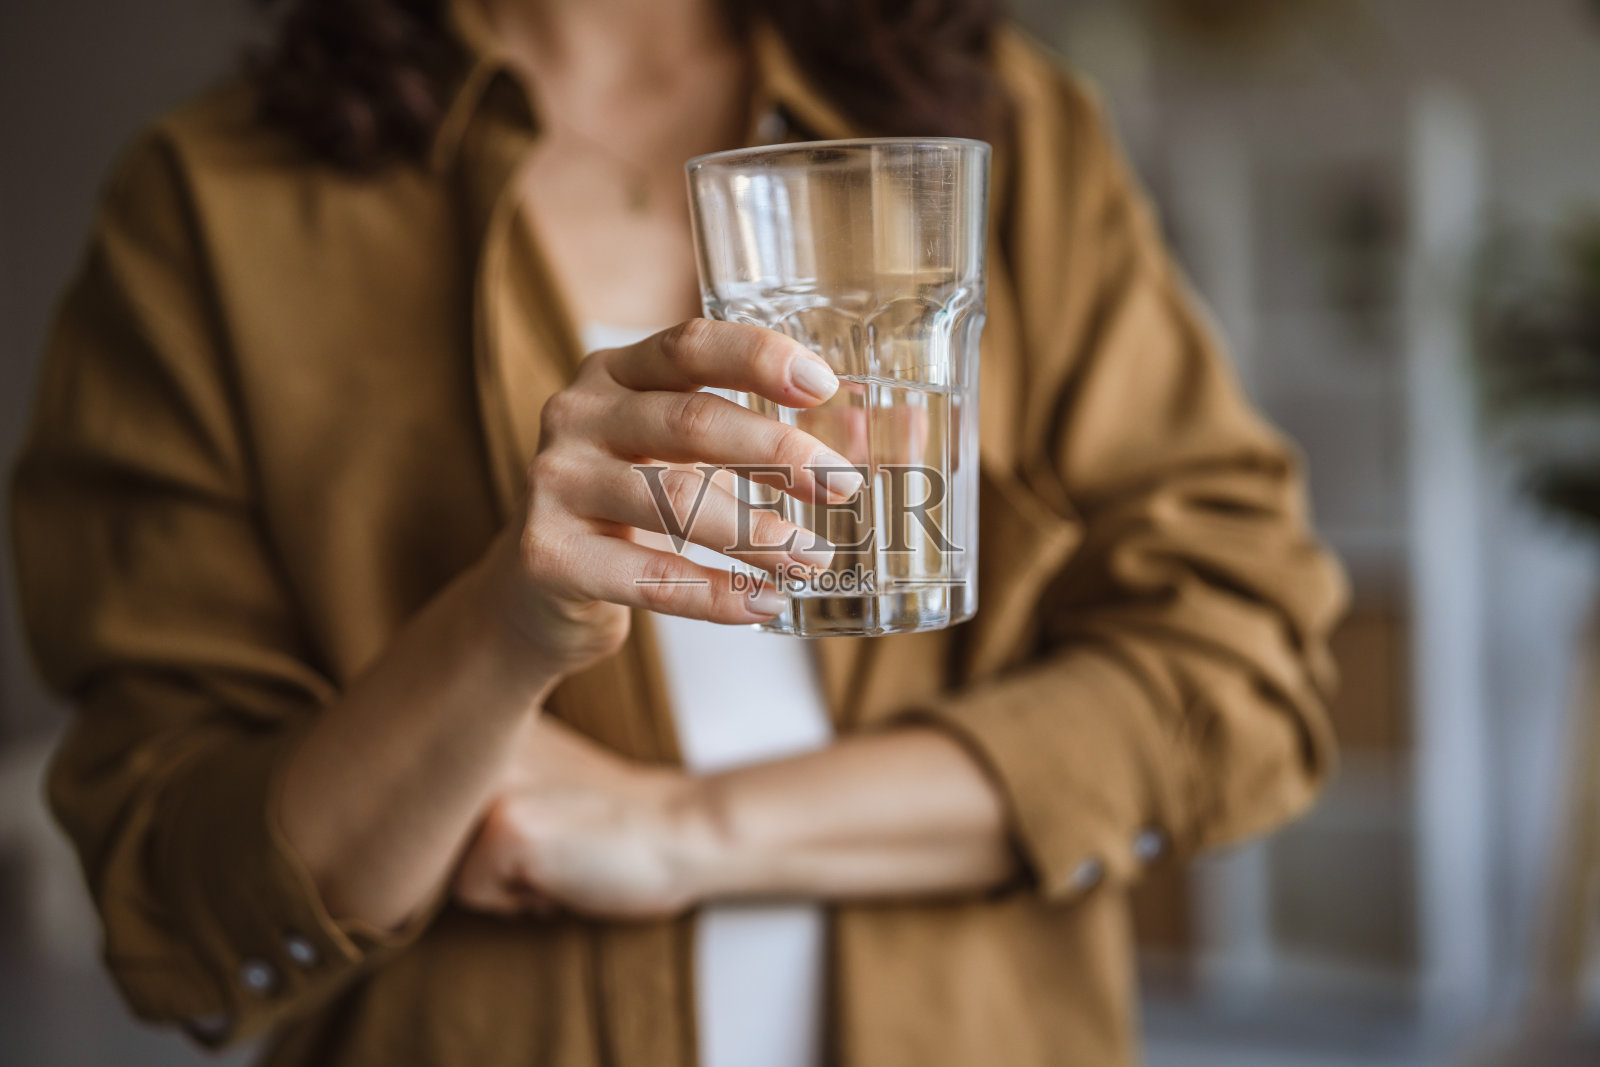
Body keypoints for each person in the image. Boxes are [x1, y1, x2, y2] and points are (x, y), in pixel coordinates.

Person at [9, 0, 1347, 1064]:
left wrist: (689, 830)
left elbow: (1239, 670)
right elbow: (172, 895)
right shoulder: (211, 201)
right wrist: (501, 629)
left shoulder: (1017, 128)